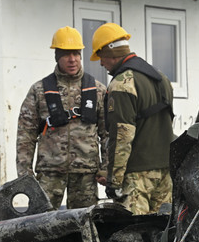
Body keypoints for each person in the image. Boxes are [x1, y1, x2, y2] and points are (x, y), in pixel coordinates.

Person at [16, 26, 108, 210]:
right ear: (57, 56)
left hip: (86, 174)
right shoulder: (39, 90)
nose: (72, 59)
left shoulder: (97, 90)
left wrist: (106, 167)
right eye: (66, 54)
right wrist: (24, 173)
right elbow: (25, 134)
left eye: (76, 53)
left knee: (85, 223)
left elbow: (108, 133)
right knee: (41, 223)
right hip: (49, 173)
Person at [91, 23, 174, 215]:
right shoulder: (162, 78)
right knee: (162, 234)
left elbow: (121, 138)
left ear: (110, 53)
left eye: (101, 57)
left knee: (135, 235)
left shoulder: (122, 83)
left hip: (137, 177)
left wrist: (114, 181)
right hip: (165, 172)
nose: (101, 63)